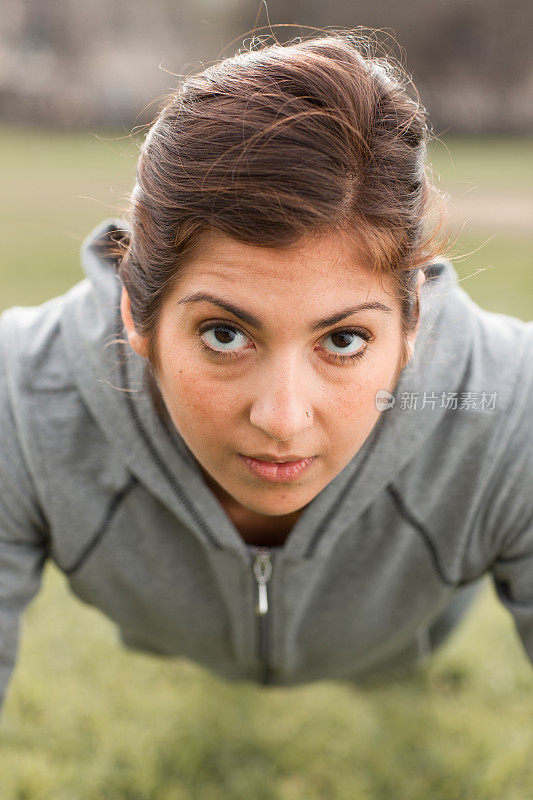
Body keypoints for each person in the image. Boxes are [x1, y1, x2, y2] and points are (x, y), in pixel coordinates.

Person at [0, 31, 532, 716]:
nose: (281, 418)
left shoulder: (513, 410)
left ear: (411, 323)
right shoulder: (18, 395)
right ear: (134, 310)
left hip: (399, 641)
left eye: (342, 339)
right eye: (225, 335)